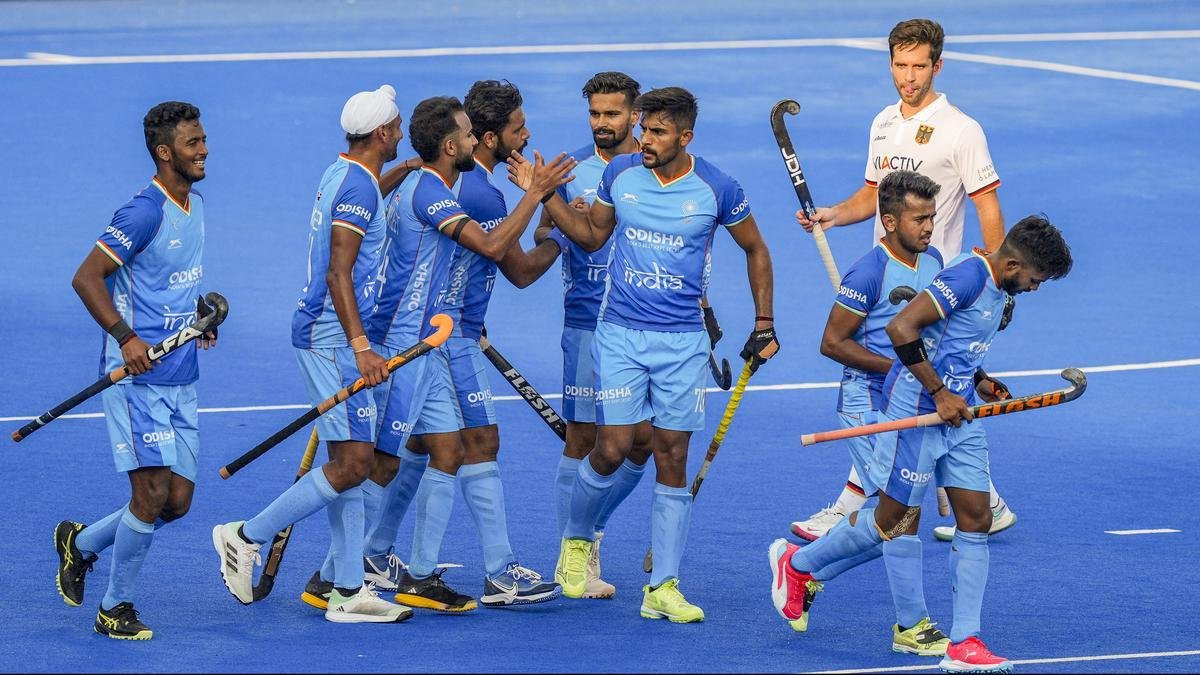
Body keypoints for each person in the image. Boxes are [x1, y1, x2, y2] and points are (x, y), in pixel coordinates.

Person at [510, 86, 777, 622]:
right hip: (621, 335)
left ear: (685, 136)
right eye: (645, 129)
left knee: (671, 455)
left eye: (658, 132)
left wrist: (764, 321)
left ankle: (663, 587)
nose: (646, 140)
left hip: (683, 343)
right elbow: (591, 236)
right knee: (611, 447)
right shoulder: (621, 175)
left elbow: (756, 248)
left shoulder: (718, 188)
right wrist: (544, 195)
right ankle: (577, 540)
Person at [770, 215, 1072, 672]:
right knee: (893, 521)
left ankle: (964, 641)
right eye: (1035, 279)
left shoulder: (999, 288)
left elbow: (951, 343)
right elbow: (902, 329)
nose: (1035, 288)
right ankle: (798, 564)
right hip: (915, 411)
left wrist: (979, 380)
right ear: (1013, 265)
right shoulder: (967, 277)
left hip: (960, 415)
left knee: (977, 517)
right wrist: (939, 391)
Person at [329, 95, 573, 614]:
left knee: (423, 448)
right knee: (466, 444)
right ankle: (492, 571)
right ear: (485, 138)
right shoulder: (477, 193)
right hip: (441, 337)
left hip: (444, 331)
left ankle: (378, 558)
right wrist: (560, 233)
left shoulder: (441, 181)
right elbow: (516, 267)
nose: (526, 137)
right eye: (518, 129)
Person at [793, 18, 1016, 542]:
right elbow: (873, 194)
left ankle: (852, 507)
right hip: (888, 276)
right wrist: (833, 214)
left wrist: (996, 279)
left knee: (889, 391)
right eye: (900, 65)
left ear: (938, 66)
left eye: (919, 66)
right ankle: (986, 501)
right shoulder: (884, 122)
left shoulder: (961, 129)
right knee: (904, 396)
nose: (908, 77)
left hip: (937, 288)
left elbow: (987, 205)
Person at [212, 85, 413, 624]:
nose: (401, 132)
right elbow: (338, 273)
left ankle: (346, 592)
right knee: (354, 464)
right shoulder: (359, 188)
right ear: (382, 132)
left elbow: (365, 202)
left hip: (331, 337)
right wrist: (362, 347)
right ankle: (246, 534)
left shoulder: (346, 173)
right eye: (397, 126)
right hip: (332, 341)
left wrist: (404, 170)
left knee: (348, 464)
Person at [53, 101, 215, 640]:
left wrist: (200, 319)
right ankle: (113, 607)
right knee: (149, 495)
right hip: (138, 382)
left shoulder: (194, 206)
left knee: (177, 502)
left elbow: (171, 283)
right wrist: (125, 337)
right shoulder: (143, 213)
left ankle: (80, 543)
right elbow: (87, 277)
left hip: (182, 374)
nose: (204, 150)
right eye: (193, 143)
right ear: (165, 153)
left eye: (203, 139)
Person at [800, 169, 958, 654]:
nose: (929, 227)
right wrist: (901, 368)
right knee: (901, 513)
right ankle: (911, 626)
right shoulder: (868, 273)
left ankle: (803, 569)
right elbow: (832, 343)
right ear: (889, 222)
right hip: (868, 402)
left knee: (895, 515)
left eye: (932, 217)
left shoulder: (933, 261)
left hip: (912, 400)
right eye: (919, 219)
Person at [535, 71, 656, 599]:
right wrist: (567, 221)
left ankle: (589, 530)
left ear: (635, 115)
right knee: (584, 439)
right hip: (587, 321)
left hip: (646, 322)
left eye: (612, 113)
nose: (601, 123)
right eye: (594, 113)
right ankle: (575, 551)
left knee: (643, 442)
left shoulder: (654, 166)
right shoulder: (570, 170)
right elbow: (543, 230)